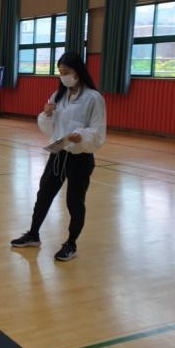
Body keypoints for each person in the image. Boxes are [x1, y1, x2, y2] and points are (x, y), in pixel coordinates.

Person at [11, 52, 106, 261]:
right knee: (44, 194)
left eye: (67, 72)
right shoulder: (58, 96)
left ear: (78, 72)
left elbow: (98, 131)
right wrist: (46, 114)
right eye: (61, 72)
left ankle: (71, 244)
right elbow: (49, 127)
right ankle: (33, 234)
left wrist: (81, 136)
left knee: (74, 201)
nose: (64, 76)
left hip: (80, 157)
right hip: (58, 154)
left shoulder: (93, 98)